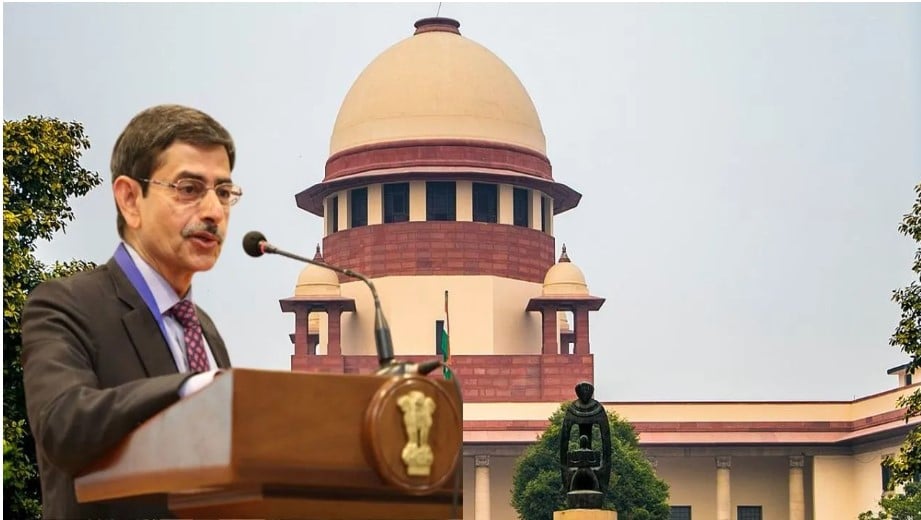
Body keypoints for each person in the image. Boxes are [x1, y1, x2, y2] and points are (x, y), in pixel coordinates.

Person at [21, 104, 241, 519]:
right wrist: (190, 389)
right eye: (189, 188)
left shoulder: (204, 330)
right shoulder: (64, 306)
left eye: (224, 192)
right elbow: (63, 424)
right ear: (129, 200)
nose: (214, 211)